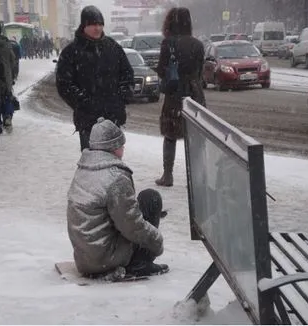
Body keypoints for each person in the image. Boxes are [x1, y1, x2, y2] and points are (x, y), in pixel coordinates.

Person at [67, 117, 169, 278]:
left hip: (85, 256)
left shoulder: (85, 169)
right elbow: (131, 225)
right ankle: (141, 264)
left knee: (135, 203)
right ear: (113, 147)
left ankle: (119, 259)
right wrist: (156, 241)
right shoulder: (116, 177)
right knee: (150, 198)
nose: (123, 149)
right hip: (105, 258)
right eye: (122, 145)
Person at [56, 5, 134, 151]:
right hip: (88, 120)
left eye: (100, 24)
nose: (97, 28)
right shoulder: (71, 52)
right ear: (84, 25)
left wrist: (123, 96)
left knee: (114, 161)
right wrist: (82, 101)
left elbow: (127, 74)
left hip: (113, 117)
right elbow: (64, 84)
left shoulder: (113, 48)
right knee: (92, 163)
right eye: (92, 24)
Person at [155, 7, 206, 187]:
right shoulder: (198, 45)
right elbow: (200, 73)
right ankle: (195, 178)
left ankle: (167, 175)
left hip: (175, 93)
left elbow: (162, 70)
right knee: (194, 137)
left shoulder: (168, 43)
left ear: (171, 22)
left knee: (170, 135)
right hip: (195, 94)